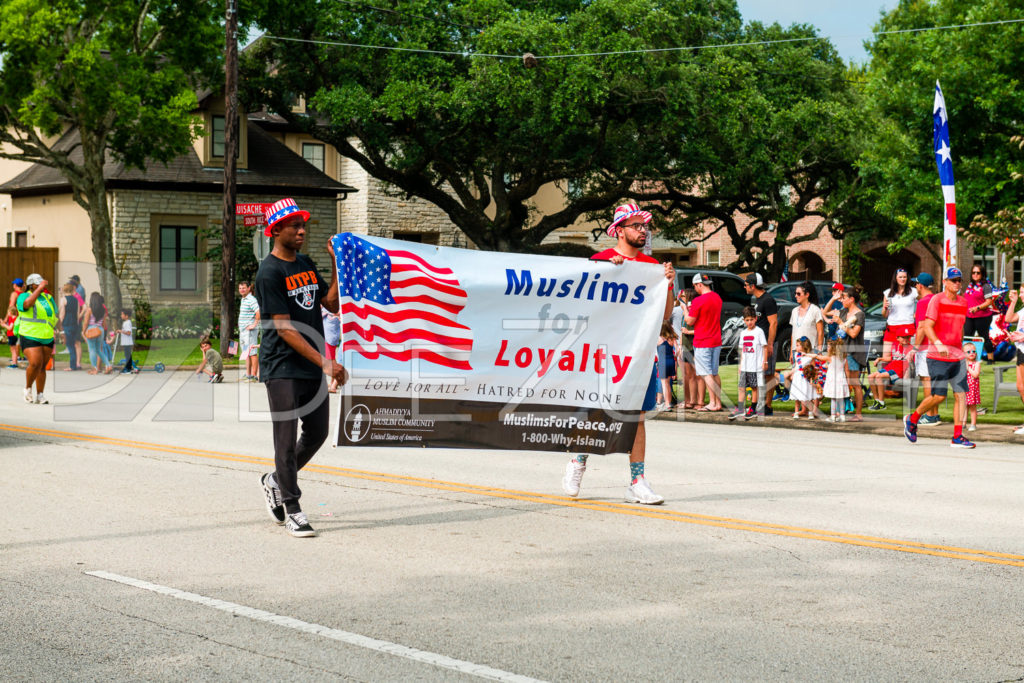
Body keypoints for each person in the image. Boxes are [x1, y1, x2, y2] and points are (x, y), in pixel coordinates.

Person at [561, 202, 674, 506]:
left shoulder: (652, 268)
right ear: (619, 230)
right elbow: (583, 305)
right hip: (604, 353)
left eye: (644, 226)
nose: (643, 231)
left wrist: (669, 284)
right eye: (636, 226)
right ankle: (578, 462)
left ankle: (637, 481)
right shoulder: (600, 260)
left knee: (637, 417)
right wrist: (606, 272)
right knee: (596, 410)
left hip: (639, 355)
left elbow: (664, 315)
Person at [255, 198, 349, 537]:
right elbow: (283, 328)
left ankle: (276, 481)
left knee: (319, 432)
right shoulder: (269, 272)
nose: (301, 230)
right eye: (294, 225)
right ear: (275, 229)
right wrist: (325, 361)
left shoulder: (306, 263)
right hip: (282, 366)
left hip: (310, 363)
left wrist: (336, 263)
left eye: (302, 224)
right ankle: (292, 508)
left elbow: (330, 303)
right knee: (285, 438)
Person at [904, 267, 975, 448]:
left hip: (956, 356)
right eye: (953, 280)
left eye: (959, 280)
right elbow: (927, 326)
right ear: (945, 282)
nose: (957, 283)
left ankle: (957, 437)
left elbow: (959, 329)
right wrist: (938, 343)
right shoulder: (936, 300)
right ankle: (912, 420)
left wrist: (962, 352)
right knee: (938, 396)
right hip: (937, 356)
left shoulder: (963, 303)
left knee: (961, 395)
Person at [17, 273, 58, 404]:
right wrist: (39, 289)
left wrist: (57, 328)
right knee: (35, 363)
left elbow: (54, 314)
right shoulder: (23, 296)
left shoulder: (48, 297)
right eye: (37, 283)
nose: (41, 285)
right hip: (29, 334)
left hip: (46, 336)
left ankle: (40, 395)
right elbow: (27, 305)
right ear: (31, 285)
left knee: (41, 367)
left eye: (41, 282)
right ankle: (28, 389)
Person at [685, 273, 724, 412]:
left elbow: (689, 321)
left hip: (703, 340)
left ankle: (712, 403)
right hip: (716, 339)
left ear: (699, 284)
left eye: (695, 286)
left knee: (705, 373)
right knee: (714, 372)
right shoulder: (717, 297)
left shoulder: (698, 301)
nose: (695, 289)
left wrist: (685, 309)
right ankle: (718, 403)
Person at [828, 285, 866, 421]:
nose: (842, 300)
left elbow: (854, 334)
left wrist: (841, 323)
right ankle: (841, 411)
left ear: (851, 299)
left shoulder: (859, 314)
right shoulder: (844, 311)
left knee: (854, 383)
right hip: (840, 352)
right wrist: (833, 298)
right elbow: (826, 312)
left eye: (844, 298)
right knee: (842, 382)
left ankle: (859, 413)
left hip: (853, 352)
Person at [744, 273, 778, 414]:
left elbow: (773, 323)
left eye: (746, 284)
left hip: (767, 344)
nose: (744, 286)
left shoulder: (767, 300)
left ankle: (768, 406)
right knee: (760, 374)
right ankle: (759, 403)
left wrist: (770, 344)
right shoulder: (757, 300)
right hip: (758, 344)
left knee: (768, 373)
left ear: (752, 286)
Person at [910, 272, 940, 426]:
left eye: (916, 284)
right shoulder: (937, 299)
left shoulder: (923, 302)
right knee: (933, 382)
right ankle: (934, 414)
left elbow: (922, 326)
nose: (915, 286)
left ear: (920, 285)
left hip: (925, 346)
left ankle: (930, 415)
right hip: (936, 344)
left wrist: (915, 347)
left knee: (926, 380)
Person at [729, 306, 768, 420]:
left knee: (754, 387)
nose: (749, 322)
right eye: (747, 320)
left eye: (751, 319)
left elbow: (765, 347)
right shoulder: (743, 333)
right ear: (744, 320)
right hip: (745, 364)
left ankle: (753, 408)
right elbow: (742, 350)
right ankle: (741, 408)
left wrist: (764, 361)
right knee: (741, 387)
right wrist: (741, 364)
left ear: (756, 319)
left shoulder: (759, 332)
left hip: (755, 365)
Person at [881, 268, 918, 360]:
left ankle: (907, 374)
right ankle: (889, 373)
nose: (903, 279)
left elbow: (923, 304)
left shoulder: (913, 291)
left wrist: (916, 315)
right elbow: (884, 315)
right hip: (892, 326)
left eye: (904, 277)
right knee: (886, 357)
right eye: (900, 277)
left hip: (907, 327)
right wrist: (885, 308)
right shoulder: (888, 293)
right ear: (895, 279)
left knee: (907, 357)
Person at [867, 333, 910, 411]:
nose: (906, 339)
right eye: (903, 337)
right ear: (897, 338)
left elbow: (910, 363)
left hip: (898, 373)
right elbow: (892, 358)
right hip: (890, 368)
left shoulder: (910, 348)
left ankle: (881, 403)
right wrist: (880, 359)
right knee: (870, 376)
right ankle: (876, 401)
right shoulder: (895, 344)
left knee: (878, 376)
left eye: (907, 337)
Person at [963, 264, 995, 361]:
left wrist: (977, 308)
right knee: (967, 336)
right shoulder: (970, 286)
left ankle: (991, 359)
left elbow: (989, 301)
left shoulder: (986, 286)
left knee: (984, 337)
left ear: (982, 274)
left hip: (983, 316)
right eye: (973, 272)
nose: (975, 274)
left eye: (978, 272)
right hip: (969, 316)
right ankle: (967, 359)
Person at [1003, 286, 1024, 435]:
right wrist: (1013, 301)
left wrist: (1022, 337)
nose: (1021, 295)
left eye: (1023, 293)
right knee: (1020, 387)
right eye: (1021, 292)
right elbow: (1008, 319)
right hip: (1021, 350)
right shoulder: (1022, 310)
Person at [786, 336, 820, 420]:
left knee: (808, 394)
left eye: (798, 345)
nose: (796, 347)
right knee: (797, 395)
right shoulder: (796, 355)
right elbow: (797, 366)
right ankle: (796, 411)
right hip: (798, 377)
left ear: (804, 346)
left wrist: (812, 376)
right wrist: (792, 373)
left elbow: (813, 367)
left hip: (806, 378)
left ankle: (810, 412)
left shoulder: (810, 356)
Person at [81, 292, 113, 374]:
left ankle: (94, 369)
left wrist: (84, 332)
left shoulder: (89, 310)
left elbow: (86, 323)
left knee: (92, 350)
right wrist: (105, 333)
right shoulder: (103, 310)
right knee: (99, 350)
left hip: (91, 330)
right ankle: (108, 365)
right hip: (100, 330)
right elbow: (104, 323)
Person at [789, 281, 825, 358]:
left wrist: (819, 350)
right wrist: (792, 351)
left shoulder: (815, 310)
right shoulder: (794, 311)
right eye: (795, 293)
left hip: (811, 351)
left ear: (807, 295)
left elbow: (820, 332)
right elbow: (793, 333)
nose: (796, 296)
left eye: (798, 294)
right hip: (797, 351)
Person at [678, 288, 699, 409]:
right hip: (685, 345)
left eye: (684, 296)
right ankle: (688, 400)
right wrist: (680, 346)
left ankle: (694, 400)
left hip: (693, 345)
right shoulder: (684, 312)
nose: (681, 298)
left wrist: (688, 332)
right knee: (687, 374)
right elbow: (681, 330)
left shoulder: (692, 311)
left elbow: (698, 329)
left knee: (695, 374)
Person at [822, 338, 849, 422]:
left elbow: (819, 358)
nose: (827, 347)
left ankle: (833, 416)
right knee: (841, 399)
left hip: (833, 381)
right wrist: (848, 382)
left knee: (833, 399)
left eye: (829, 346)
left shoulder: (830, 358)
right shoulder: (844, 359)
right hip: (841, 380)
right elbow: (847, 371)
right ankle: (842, 416)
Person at [238, 280, 261, 381]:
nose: (241, 290)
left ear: (248, 288)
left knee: (252, 352)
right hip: (243, 331)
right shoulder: (243, 299)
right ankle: (248, 374)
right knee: (246, 352)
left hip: (250, 332)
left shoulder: (251, 299)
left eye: (243, 288)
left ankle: (254, 376)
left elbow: (258, 312)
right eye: (240, 288)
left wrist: (254, 324)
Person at [58, 282, 81, 371]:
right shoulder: (76, 300)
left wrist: (59, 323)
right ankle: (74, 364)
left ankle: (72, 366)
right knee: (73, 345)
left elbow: (62, 313)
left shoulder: (63, 299)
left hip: (67, 323)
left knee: (70, 345)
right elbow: (77, 313)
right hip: (74, 324)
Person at [656, 321, 678, 410]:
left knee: (664, 384)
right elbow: (678, 351)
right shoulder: (672, 339)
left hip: (662, 362)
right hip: (671, 361)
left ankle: (667, 404)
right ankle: (668, 402)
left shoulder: (659, 339)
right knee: (668, 384)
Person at [321, 305, 342, 393]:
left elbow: (335, 311)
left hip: (330, 335)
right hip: (329, 334)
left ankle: (334, 385)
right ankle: (333, 382)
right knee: (332, 359)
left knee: (331, 360)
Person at [964, 342, 981, 432]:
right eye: (968, 351)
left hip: (972, 389)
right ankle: (963, 423)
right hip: (964, 388)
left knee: (972, 407)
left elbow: (975, 374)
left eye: (973, 351)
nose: (971, 353)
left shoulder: (976, 364)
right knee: (964, 406)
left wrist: (968, 367)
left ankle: (973, 424)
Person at [118, 308, 136, 373]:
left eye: (122, 314)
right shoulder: (125, 322)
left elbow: (128, 333)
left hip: (127, 342)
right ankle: (128, 367)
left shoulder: (128, 323)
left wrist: (121, 331)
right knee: (127, 355)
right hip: (125, 342)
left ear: (127, 316)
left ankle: (128, 368)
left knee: (127, 355)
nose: (121, 315)